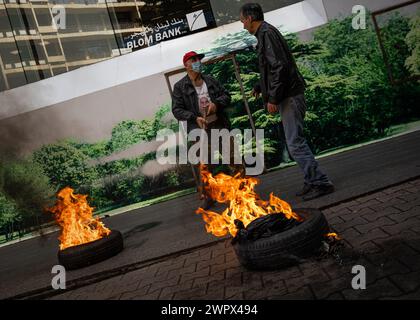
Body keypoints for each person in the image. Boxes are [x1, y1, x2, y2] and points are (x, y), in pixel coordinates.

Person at [239, 3, 334, 201]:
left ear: (249, 18)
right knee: (295, 141)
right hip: (288, 93)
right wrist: (260, 86)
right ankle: (311, 180)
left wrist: (273, 97)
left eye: (242, 19)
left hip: (288, 96)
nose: (242, 24)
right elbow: (273, 67)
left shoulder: (266, 33)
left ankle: (320, 182)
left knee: (295, 143)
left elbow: (280, 67)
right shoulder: (266, 33)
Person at [171, 51, 242, 209]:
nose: (197, 62)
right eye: (194, 59)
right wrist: (194, 117)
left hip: (219, 125)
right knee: (204, 166)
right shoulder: (180, 87)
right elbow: (176, 110)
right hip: (199, 130)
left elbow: (226, 95)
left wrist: (216, 104)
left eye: (199, 59)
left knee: (234, 159)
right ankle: (208, 197)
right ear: (186, 65)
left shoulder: (210, 80)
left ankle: (242, 191)